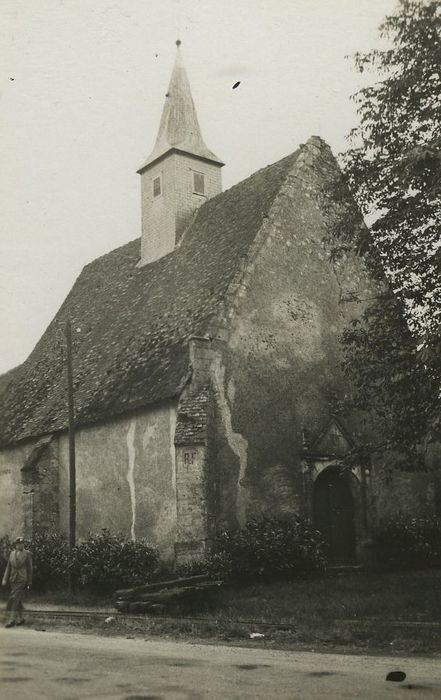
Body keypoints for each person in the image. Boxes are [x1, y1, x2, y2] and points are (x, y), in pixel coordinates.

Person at [2, 537, 33, 628]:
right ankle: (21, 618)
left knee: (14, 598)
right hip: (13, 579)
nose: (21, 545)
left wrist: (29, 582)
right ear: (16, 545)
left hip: (22, 579)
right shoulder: (12, 554)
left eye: (22, 543)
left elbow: (30, 569)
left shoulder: (27, 554)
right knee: (17, 599)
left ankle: (11, 620)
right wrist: (4, 579)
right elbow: (8, 567)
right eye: (19, 544)